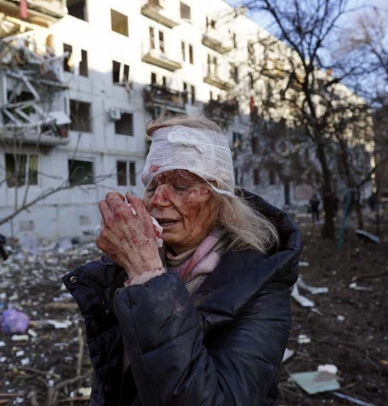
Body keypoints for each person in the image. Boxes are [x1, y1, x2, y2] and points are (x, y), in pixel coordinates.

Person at [62, 116, 303, 406]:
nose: (158, 200)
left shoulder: (261, 286)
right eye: (151, 187)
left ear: (220, 198)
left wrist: (147, 275)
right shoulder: (128, 267)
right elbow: (113, 379)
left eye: (180, 186)